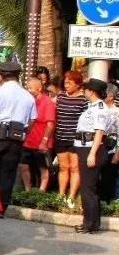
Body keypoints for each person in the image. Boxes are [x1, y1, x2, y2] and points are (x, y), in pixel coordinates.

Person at [0, 60, 35, 214]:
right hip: (16, 139)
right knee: (8, 173)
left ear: (1, 76)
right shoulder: (28, 96)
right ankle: (1, 208)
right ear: (18, 76)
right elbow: (32, 121)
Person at [72, 79, 118, 234]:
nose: (84, 91)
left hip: (91, 149)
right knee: (90, 187)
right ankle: (93, 223)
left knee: (87, 188)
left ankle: (89, 224)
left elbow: (99, 132)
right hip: (85, 147)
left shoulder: (99, 108)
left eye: (85, 89)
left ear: (91, 91)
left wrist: (92, 154)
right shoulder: (93, 107)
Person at [54, 72, 88, 209]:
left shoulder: (83, 100)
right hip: (60, 137)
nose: (66, 85)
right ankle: (61, 195)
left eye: (69, 83)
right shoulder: (61, 96)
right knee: (63, 168)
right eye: (65, 83)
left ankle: (71, 196)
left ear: (78, 84)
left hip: (76, 139)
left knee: (75, 168)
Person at [19, 76, 55, 193]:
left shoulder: (47, 102)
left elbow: (50, 124)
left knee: (43, 168)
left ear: (39, 89)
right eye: (27, 88)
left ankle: (41, 191)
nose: (28, 90)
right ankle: (27, 190)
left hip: (40, 142)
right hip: (27, 141)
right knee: (23, 166)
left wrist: (44, 142)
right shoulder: (28, 101)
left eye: (31, 88)